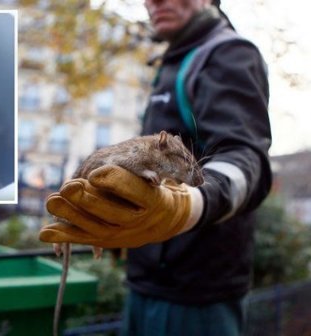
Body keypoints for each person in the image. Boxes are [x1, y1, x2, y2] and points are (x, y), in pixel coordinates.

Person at [39, 0, 272, 334]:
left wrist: (189, 206)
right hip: (144, 281)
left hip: (196, 294)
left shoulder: (226, 55)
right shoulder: (171, 60)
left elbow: (247, 161)